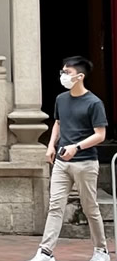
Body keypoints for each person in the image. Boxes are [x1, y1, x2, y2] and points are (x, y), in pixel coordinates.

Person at [26, 56, 110, 261]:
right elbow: (58, 123)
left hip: (86, 163)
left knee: (90, 208)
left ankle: (101, 251)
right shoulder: (61, 99)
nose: (63, 75)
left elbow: (100, 135)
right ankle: (45, 251)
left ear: (80, 76)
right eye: (62, 71)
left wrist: (77, 147)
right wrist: (51, 145)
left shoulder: (94, 103)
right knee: (55, 206)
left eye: (67, 72)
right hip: (62, 163)